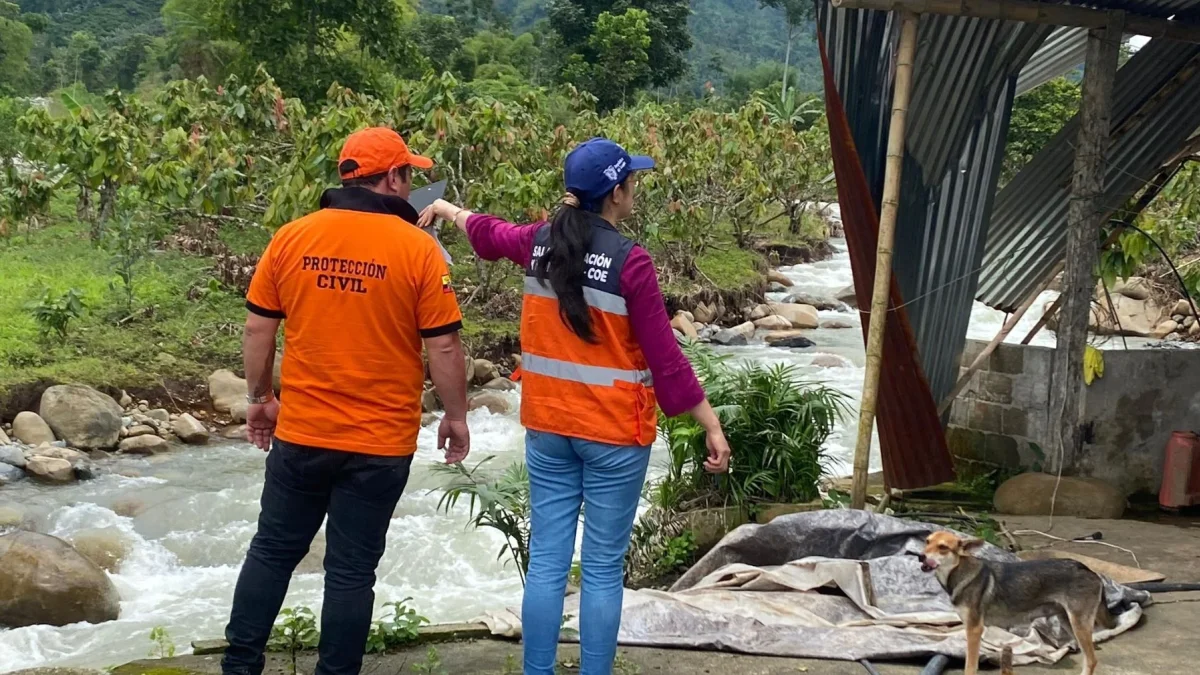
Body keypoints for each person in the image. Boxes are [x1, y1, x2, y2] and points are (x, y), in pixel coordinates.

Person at [418, 137, 731, 675]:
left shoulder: (541, 242)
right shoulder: (631, 263)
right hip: (612, 432)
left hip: (547, 427)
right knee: (604, 570)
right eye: (632, 179)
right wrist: (710, 423)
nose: (636, 186)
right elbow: (665, 359)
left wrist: (449, 208)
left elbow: (490, 234)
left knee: (546, 565)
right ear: (615, 193)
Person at [222, 127, 471, 675]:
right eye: (410, 175)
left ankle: (239, 666)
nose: (412, 186)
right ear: (393, 178)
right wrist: (455, 416)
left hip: (303, 434)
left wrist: (258, 398)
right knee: (352, 571)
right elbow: (445, 345)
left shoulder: (292, 236)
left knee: (272, 550)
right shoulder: (417, 249)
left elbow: (258, 329)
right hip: (380, 443)